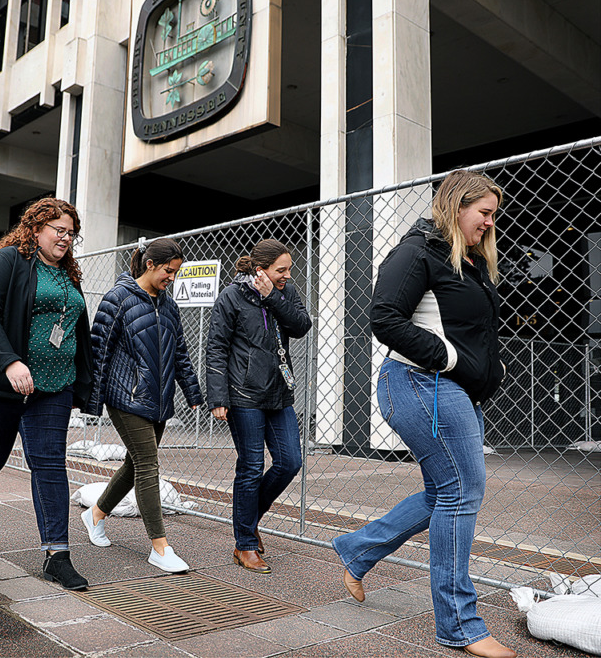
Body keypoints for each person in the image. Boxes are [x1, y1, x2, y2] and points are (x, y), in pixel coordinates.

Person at [331, 170, 515, 658]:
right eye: (485, 213)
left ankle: (358, 549)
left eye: (494, 214)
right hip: (420, 382)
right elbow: (383, 317)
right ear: (457, 206)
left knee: (444, 492)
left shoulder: (469, 261)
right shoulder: (418, 251)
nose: (491, 223)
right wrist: (451, 359)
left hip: (447, 389)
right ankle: (460, 625)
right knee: (462, 493)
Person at [0, 198, 93, 591]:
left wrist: (83, 385)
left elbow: (76, 329)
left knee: (49, 464)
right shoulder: (10, 260)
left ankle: (57, 556)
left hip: (53, 386)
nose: (65, 238)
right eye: (57, 230)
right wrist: (11, 361)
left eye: (70, 232)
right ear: (36, 229)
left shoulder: (68, 275)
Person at [81, 238, 204, 572]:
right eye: (168, 271)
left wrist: (193, 394)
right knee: (149, 464)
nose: (172, 279)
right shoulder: (118, 298)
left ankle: (95, 514)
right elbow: (98, 351)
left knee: (136, 464)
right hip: (126, 397)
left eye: (176, 273)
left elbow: (180, 353)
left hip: (159, 399)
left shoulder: (169, 305)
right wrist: (92, 403)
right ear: (150, 264)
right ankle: (160, 547)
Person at [205, 240, 312, 574]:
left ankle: (248, 521)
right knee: (251, 466)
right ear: (260, 268)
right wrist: (218, 397)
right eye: (281, 270)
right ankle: (244, 544)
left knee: (290, 461)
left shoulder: (284, 292)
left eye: (289, 269)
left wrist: (273, 296)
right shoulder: (231, 297)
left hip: (279, 392)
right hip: (243, 394)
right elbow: (216, 348)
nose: (287, 275)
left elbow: (301, 325)